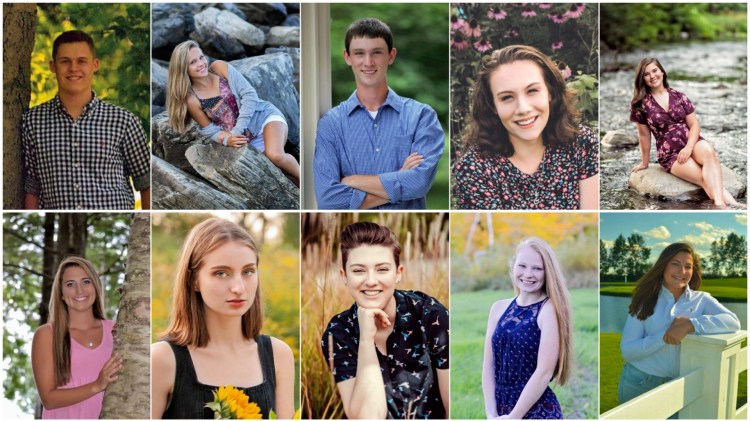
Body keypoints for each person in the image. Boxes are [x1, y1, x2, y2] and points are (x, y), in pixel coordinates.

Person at [151, 218, 295, 419]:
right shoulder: (161, 359)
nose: (239, 288)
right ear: (194, 281)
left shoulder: (278, 355)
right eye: (221, 273)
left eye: (248, 272)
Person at [313, 18, 445, 209]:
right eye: (359, 53)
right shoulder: (331, 124)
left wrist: (351, 181)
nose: (368, 62)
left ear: (391, 56)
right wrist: (400, 179)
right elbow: (328, 200)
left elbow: (419, 183)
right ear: (347, 57)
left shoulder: (421, 117)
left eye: (377, 53)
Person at [321, 222, 449, 418]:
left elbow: (452, 409)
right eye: (358, 271)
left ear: (398, 273)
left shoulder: (431, 315)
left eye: (382, 269)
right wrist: (365, 340)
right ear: (344, 276)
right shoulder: (338, 332)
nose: (371, 280)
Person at [454, 45, 599, 210]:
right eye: (507, 97)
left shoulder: (583, 144)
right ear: (493, 105)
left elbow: (591, 217)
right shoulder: (475, 169)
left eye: (532, 90)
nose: (523, 108)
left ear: (550, 92)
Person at [21, 30, 151, 210]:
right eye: (65, 61)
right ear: (53, 66)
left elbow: (147, 183)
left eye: (81, 61)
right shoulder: (32, 122)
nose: (73, 68)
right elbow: (32, 188)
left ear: (95, 65)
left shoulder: (124, 121)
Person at [618, 242, 740, 407]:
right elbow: (628, 350)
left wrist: (691, 324)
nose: (682, 272)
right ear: (663, 266)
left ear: (693, 271)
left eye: (688, 266)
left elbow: (733, 322)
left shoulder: (702, 299)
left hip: (679, 386)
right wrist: (665, 336)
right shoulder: (644, 299)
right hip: (639, 382)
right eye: (675, 264)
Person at [166, 40, 300, 187]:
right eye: (193, 62)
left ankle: (310, 182)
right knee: (278, 172)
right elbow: (209, 129)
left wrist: (237, 130)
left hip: (263, 117)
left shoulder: (218, 68)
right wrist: (226, 140)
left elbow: (249, 95)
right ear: (182, 69)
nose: (201, 63)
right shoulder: (192, 99)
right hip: (244, 138)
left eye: (201, 57)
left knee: (275, 155)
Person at [629, 58, 741, 208]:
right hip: (670, 152)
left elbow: (694, 124)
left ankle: (728, 204)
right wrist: (645, 162)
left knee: (709, 152)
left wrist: (689, 147)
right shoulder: (640, 104)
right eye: (646, 74)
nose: (652, 76)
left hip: (691, 142)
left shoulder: (679, 96)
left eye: (655, 71)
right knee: (703, 178)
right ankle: (723, 205)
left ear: (662, 71)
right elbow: (644, 135)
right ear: (642, 79)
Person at [482, 238, 573, 419]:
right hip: (499, 407)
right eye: (522, 266)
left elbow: (543, 373)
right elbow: (488, 364)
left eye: (537, 268)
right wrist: (491, 414)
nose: (528, 274)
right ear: (513, 267)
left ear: (548, 273)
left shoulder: (548, 311)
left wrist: (514, 417)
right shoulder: (498, 308)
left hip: (534, 408)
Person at [31, 256, 123, 419]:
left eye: (86, 282)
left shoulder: (115, 330)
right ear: (61, 293)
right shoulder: (47, 335)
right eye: (70, 284)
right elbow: (48, 399)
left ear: (95, 286)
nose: (79, 291)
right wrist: (96, 385)